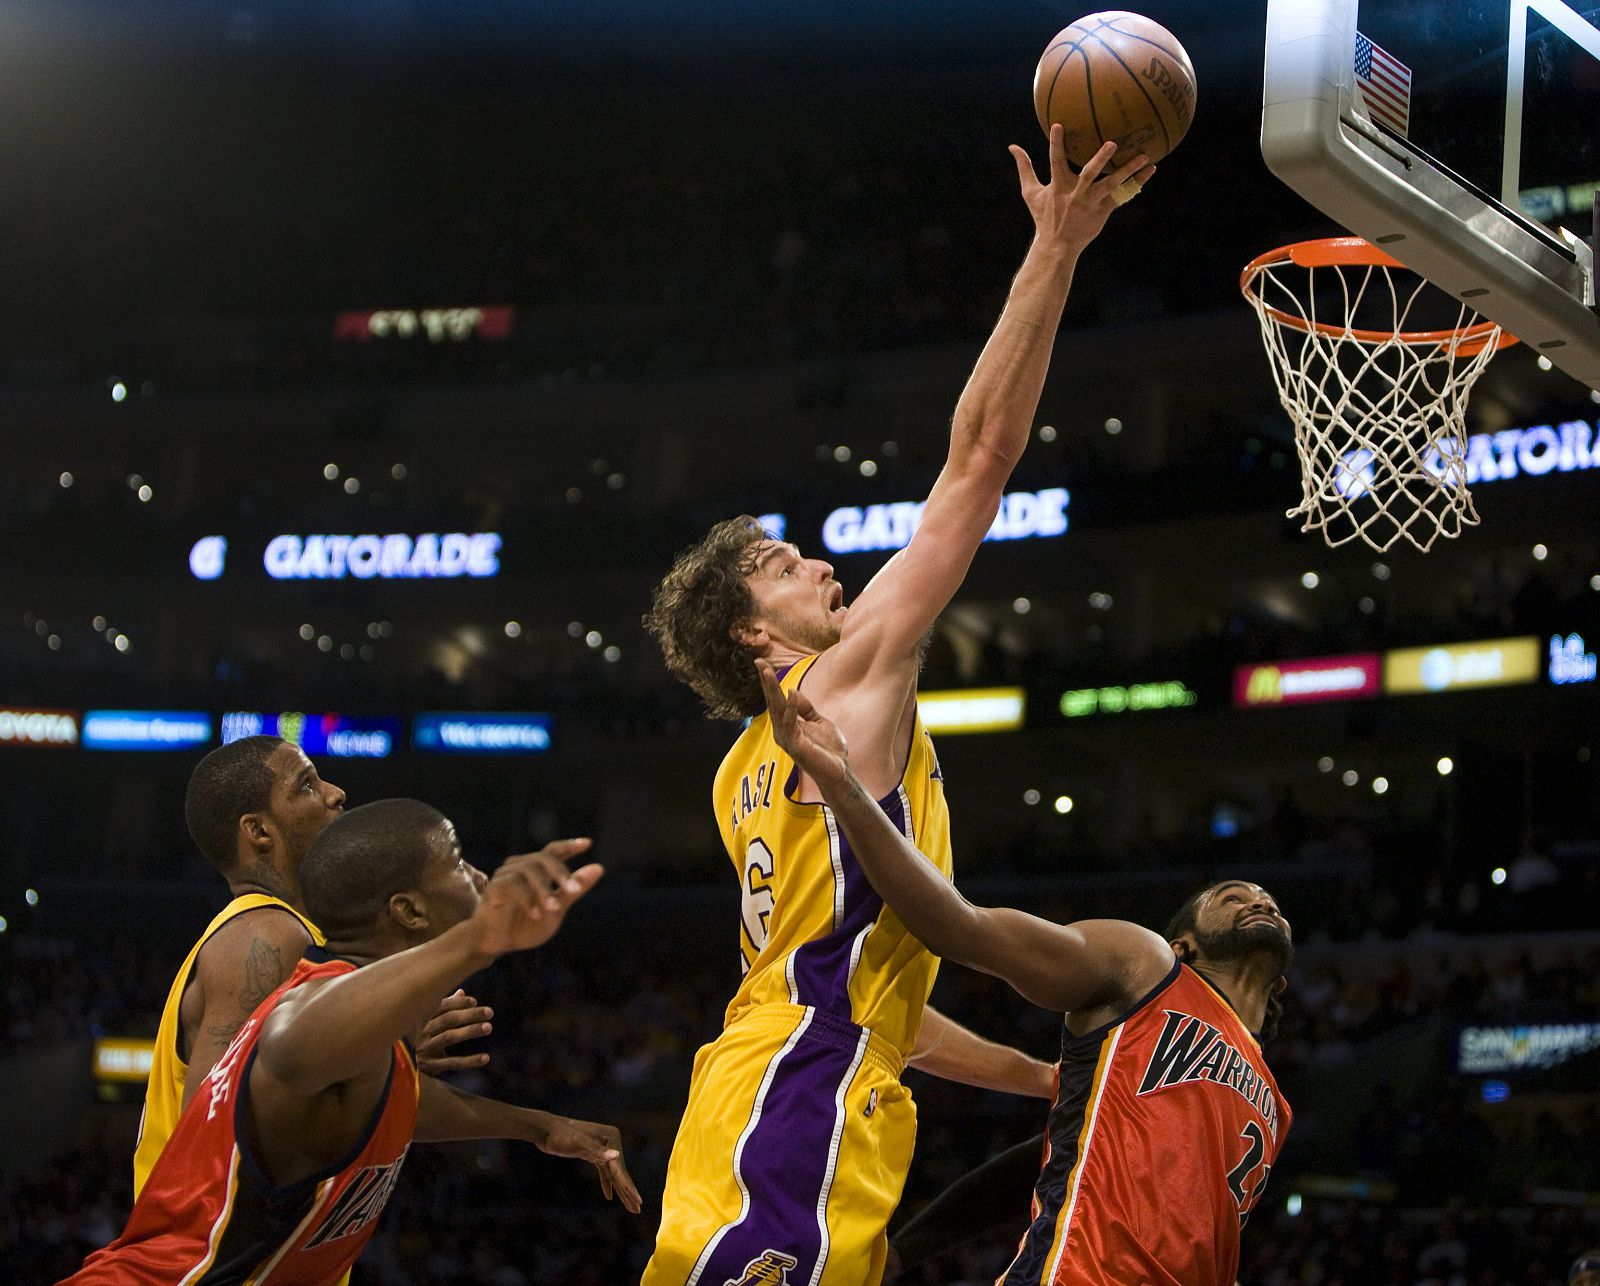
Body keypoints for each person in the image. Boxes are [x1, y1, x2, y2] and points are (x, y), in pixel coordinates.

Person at [640, 128, 1153, 1286]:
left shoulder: (740, 776)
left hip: (763, 1080)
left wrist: (1036, 1076)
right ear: (746, 628)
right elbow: (977, 461)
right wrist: (1056, 247)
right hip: (801, 1095)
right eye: (783, 562)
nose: (820, 564)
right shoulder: (851, 669)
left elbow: (877, 993)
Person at [758, 661, 1293, 1286]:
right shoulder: (1147, 966)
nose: (1256, 898)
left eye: (1266, 898)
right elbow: (961, 928)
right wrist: (842, 784)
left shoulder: (1274, 1104)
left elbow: (1043, 1161)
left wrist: (910, 1249)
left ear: (1280, 985)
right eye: (1230, 894)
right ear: (1186, 944)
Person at [67, 799, 640, 1284]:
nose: (482, 879)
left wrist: (538, 1127)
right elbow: (291, 1047)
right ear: (409, 911)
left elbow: (392, 1101)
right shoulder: (308, 998)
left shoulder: (365, 1042)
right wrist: (476, 940)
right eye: (461, 864)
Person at [133, 736, 492, 1197]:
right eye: (306, 784)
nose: (335, 792)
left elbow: (296, 1106)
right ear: (259, 832)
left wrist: (540, 1129)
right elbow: (218, 1134)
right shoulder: (267, 936)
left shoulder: (294, 931)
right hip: (207, 1264)